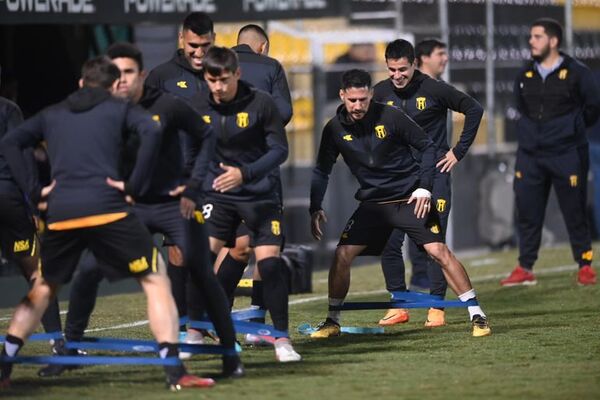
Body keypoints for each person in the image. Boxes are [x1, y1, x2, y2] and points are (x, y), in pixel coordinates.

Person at [0, 56, 214, 390]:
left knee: (42, 287)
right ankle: (175, 373)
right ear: (114, 85)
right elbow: (152, 129)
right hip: (108, 209)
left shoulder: (53, 113)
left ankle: (4, 369)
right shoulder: (120, 109)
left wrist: (34, 191)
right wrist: (134, 186)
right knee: (155, 279)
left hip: (63, 212)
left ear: (81, 83)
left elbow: (11, 143)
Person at [36, 43, 244, 378]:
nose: (121, 80)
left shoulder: (169, 106)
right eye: (115, 73)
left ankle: (231, 358)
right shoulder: (101, 111)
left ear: (142, 75)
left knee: (201, 271)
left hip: (173, 204)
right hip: (126, 207)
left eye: (128, 72)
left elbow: (205, 136)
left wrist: (193, 185)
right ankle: (69, 352)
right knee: (88, 270)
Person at [308, 68, 490, 339]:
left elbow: (428, 147)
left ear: (370, 95)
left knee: (438, 251)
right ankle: (332, 321)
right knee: (342, 255)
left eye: (363, 100)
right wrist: (315, 206)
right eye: (352, 100)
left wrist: (425, 189)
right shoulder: (334, 129)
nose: (358, 106)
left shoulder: (391, 116)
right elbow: (322, 169)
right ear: (342, 96)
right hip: (372, 205)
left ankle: (478, 315)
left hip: (409, 199)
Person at [191, 46, 301, 362]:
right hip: (219, 196)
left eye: (224, 80)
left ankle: (282, 340)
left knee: (268, 263)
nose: (218, 87)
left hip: (260, 195)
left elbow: (280, 150)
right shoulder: (197, 105)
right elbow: (188, 148)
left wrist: (245, 173)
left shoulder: (261, 103)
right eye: (212, 81)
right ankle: (196, 332)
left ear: (237, 74)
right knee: (199, 260)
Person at [373, 39, 483, 328]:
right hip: (397, 179)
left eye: (403, 69)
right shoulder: (380, 92)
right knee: (388, 241)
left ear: (414, 64)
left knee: (432, 244)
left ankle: (437, 307)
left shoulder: (433, 88)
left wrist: (457, 152)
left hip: (433, 177)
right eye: (392, 70)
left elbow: (474, 109)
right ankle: (399, 304)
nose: (397, 75)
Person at [501, 18, 600, 286]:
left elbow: (593, 106)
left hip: (567, 152)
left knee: (574, 210)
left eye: (537, 36)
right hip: (530, 154)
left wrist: (571, 129)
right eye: (531, 36)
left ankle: (585, 264)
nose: (531, 41)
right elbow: (519, 108)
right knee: (527, 211)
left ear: (553, 41)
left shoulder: (577, 72)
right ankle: (525, 267)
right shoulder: (525, 74)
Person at [215, 24, 293, 346]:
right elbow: (285, 112)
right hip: (259, 171)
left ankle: (207, 321)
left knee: (232, 246)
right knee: (266, 247)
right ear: (263, 47)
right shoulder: (272, 67)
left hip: (218, 170)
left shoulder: (216, 69)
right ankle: (260, 322)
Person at [145, 12, 216, 343]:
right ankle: (185, 326)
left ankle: (205, 322)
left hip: (219, 177)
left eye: (205, 45)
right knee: (180, 254)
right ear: (180, 41)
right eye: (193, 46)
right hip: (179, 179)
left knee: (228, 251)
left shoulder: (223, 72)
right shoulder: (161, 77)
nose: (199, 53)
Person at [0, 67, 69, 371]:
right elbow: (21, 153)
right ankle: (58, 342)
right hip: (8, 200)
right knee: (38, 273)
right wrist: (34, 196)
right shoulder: (8, 109)